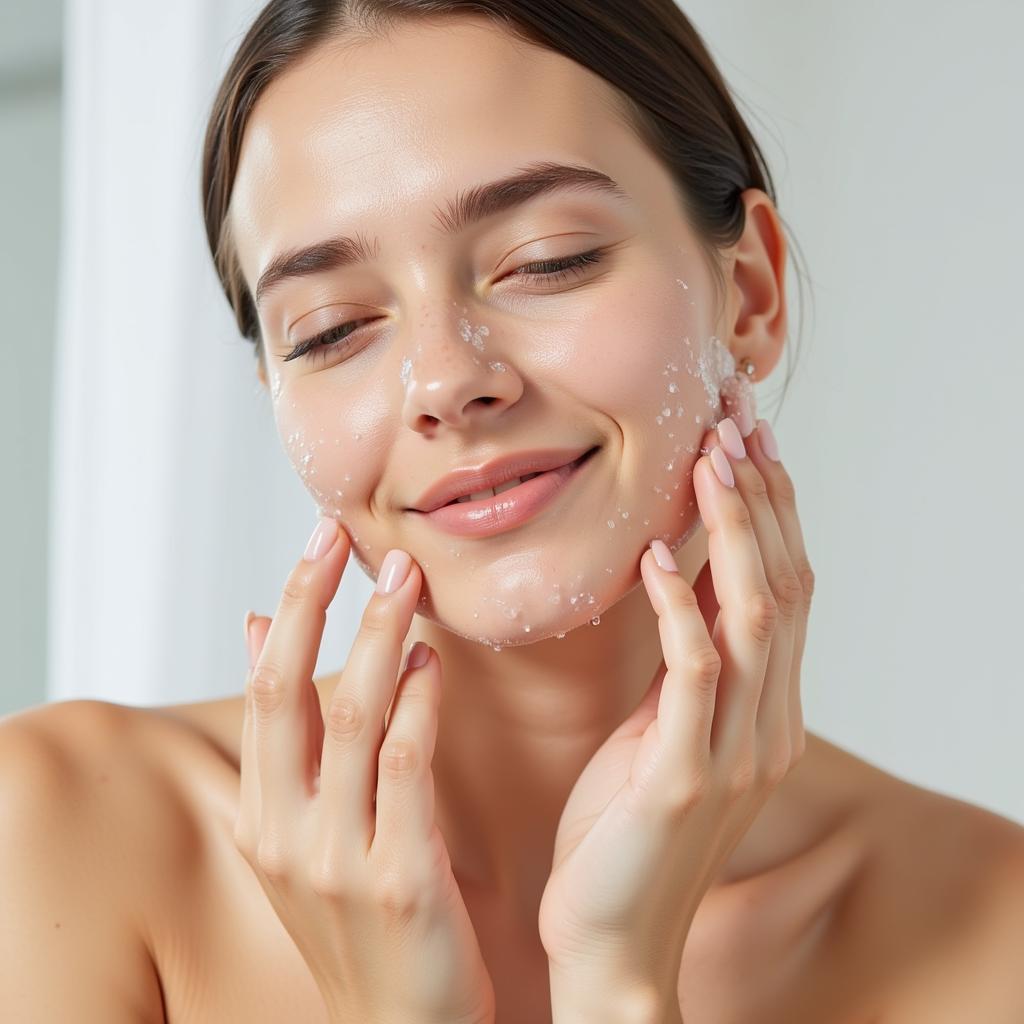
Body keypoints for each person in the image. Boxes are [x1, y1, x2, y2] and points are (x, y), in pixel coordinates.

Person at [4, 2, 1022, 1021]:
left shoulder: (988, 929)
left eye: (547, 260)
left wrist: (618, 981)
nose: (443, 380)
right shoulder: (58, 836)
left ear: (748, 290)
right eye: (332, 329)